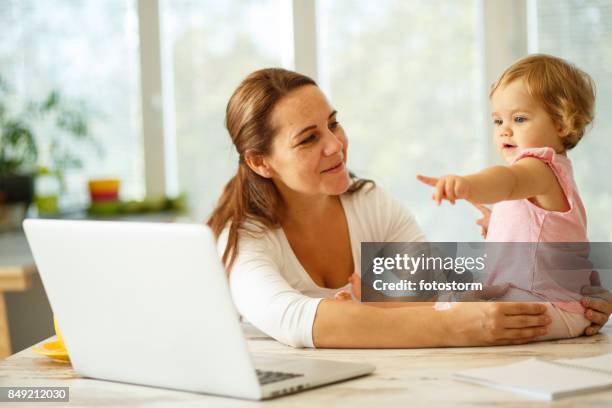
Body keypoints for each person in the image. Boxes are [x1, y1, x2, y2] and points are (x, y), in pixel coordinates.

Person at [207, 67, 609, 348]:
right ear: (260, 162)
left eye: (333, 123)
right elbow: (295, 320)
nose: (335, 144)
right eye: (308, 139)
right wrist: (460, 327)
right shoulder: (244, 238)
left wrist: (564, 284)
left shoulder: (368, 203)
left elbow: (439, 285)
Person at [417, 54, 605, 340]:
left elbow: (506, 181)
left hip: (548, 304)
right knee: (451, 301)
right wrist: (499, 224)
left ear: (562, 124)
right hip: (549, 301)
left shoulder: (538, 166)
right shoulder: (550, 174)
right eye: (497, 120)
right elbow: (539, 231)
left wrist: (466, 184)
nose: (505, 129)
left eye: (519, 118)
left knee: (453, 307)